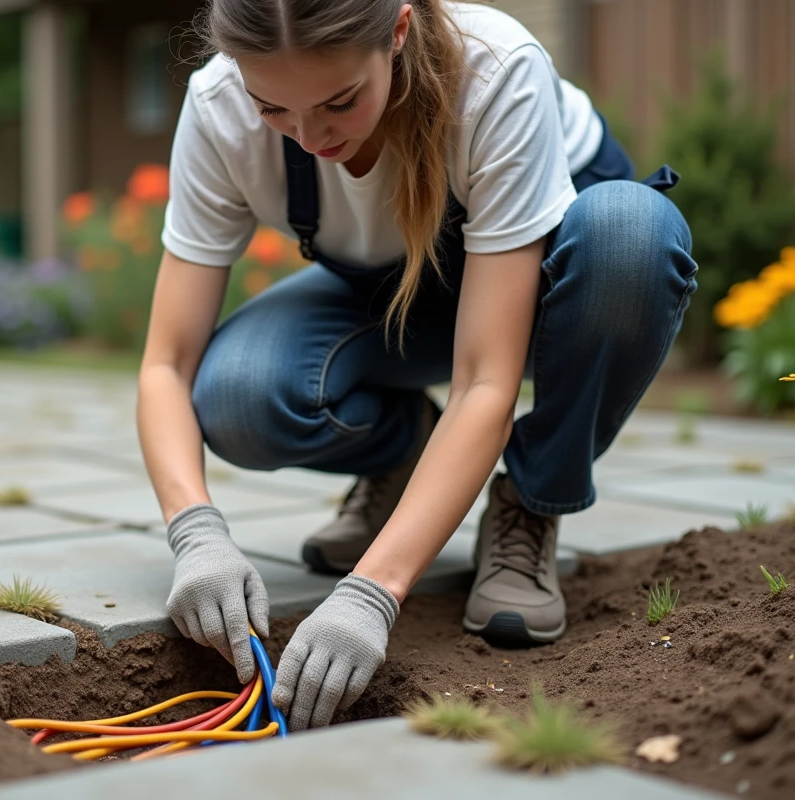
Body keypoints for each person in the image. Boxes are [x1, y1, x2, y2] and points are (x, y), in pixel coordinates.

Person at [136, 0, 696, 732]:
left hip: (560, 284)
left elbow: (487, 382)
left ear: (397, 32)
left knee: (630, 234)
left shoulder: (496, 73)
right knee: (242, 393)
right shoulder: (217, 107)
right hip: (390, 288)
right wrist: (196, 532)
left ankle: (533, 500)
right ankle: (407, 458)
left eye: (340, 101)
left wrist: (373, 591)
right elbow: (165, 366)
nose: (309, 137)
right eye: (272, 107)